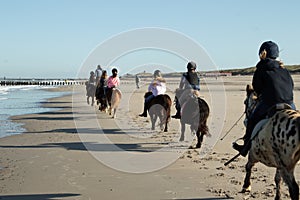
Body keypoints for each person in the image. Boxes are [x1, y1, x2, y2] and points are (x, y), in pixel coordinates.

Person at [232, 41, 296, 157]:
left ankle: (245, 148)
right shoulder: (284, 70)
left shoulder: (261, 68)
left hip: (270, 103)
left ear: (263, 53)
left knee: (251, 120)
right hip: (289, 103)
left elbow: (257, 88)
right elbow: (291, 85)